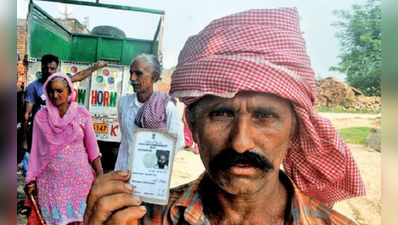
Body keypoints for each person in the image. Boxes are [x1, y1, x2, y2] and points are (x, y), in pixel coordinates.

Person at [83, 8, 366, 225]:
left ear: (295, 129)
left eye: (265, 116)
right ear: (191, 123)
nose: (240, 143)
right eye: (221, 113)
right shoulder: (145, 219)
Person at [25, 73, 103, 225]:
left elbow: (93, 149)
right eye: (51, 91)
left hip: (80, 184)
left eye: (59, 91)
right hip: (51, 184)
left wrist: (99, 173)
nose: (55, 95)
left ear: (69, 92)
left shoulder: (82, 114)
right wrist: (31, 180)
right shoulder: (41, 116)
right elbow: (36, 151)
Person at [21, 54, 107, 151]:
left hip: (57, 137)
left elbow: (80, 76)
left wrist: (96, 66)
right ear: (41, 67)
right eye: (46, 68)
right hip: (39, 136)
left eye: (52, 69)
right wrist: (24, 140)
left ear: (56, 69)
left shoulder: (61, 83)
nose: (49, 71)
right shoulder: (33, 87)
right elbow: (26, 115)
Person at [114, 53, 183, 171]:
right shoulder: (123, 103)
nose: (132, 78)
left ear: (154, 76)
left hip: (151, 173)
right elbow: (125, 136)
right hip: (123, 168)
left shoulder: (167, 107)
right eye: (131, 73)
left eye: (138, 73)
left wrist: (155, 167)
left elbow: (176, 142)